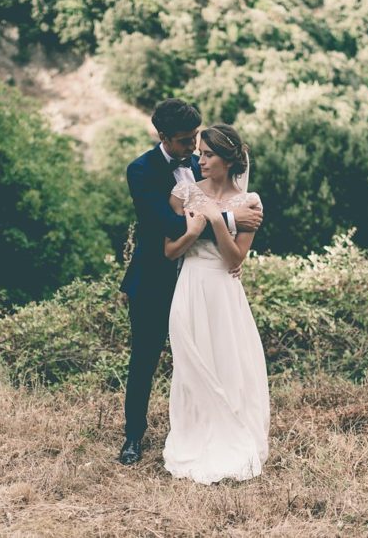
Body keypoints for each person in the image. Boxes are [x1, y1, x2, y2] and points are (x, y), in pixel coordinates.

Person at [119, 100, 263, 465]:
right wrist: (230, 216)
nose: (193, 150)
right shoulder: (141, 171)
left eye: (196, 139)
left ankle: (205, 428)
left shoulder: (203, 168)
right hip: (155, 279)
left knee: (211, 359)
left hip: (204, 282)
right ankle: (133, 437)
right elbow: (165, 226)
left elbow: (226, 240)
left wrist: (225, 221)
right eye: (185, 142)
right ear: (164, 137)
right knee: (145, 358)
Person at [162, 124, 270, 484]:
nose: (200, 160)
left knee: (226, 361)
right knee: (191, 361)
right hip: (190, 285)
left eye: (208, 155)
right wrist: (200, 227)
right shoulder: (183, 193)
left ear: (228, 160)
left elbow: (234, 259)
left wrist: (217, 219)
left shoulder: (249, 202)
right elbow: (169, 249)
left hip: (223, 290)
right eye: (200, 153)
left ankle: (230, 433)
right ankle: (194, 433)